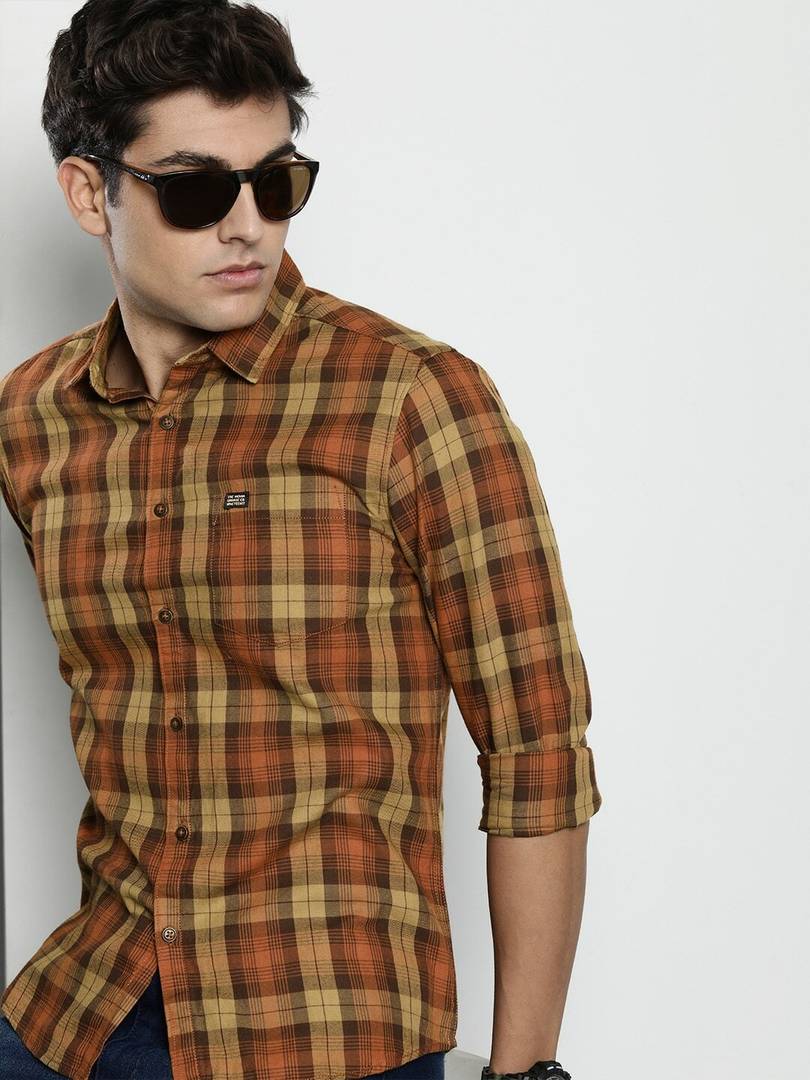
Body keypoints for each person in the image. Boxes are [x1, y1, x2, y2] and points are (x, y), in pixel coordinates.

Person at [0, 2, 602, 1078]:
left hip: (323, 1027)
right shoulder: (31, 419)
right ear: (90, 193)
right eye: (195, 191)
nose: (248, 227)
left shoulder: (413, 398)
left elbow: (537, 755)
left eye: (275, 182)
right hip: (84, 1014)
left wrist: (526, 1074)